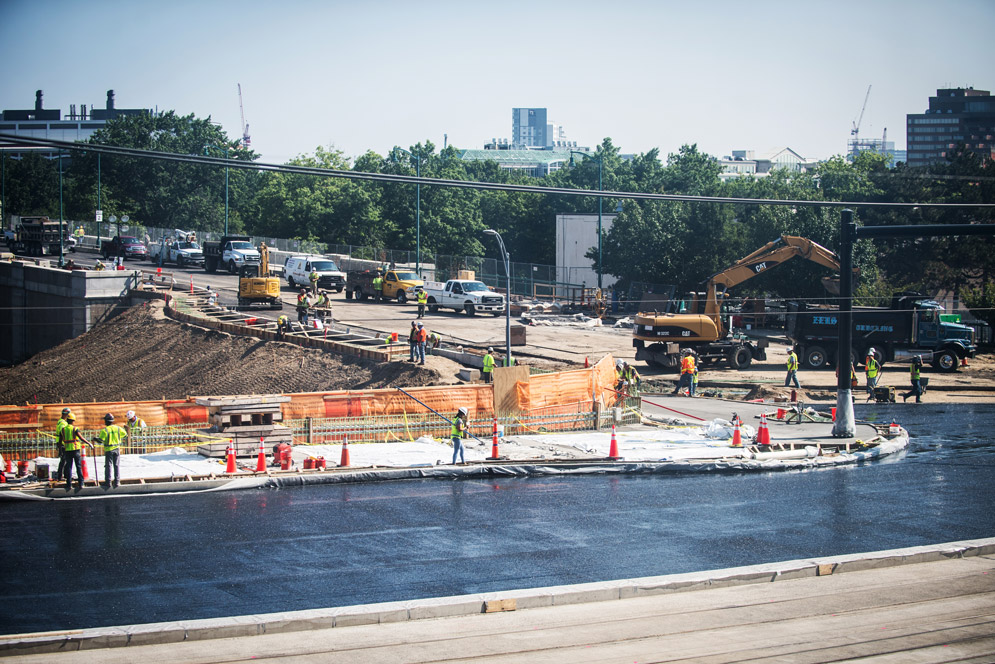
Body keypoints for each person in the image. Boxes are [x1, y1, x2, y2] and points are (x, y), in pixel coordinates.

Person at [60, 412, 91, 490]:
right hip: (75, 450)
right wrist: (89, 443)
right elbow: (81, 438)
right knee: (78, 466)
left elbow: (60, 442)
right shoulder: (74, 429)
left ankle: (69, 484)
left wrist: (60, 450)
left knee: (69, 467)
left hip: (67, 450)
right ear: (73, 420)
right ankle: (81, 483)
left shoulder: (63, 429)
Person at [98, 413, 128, 488]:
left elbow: (100, 440)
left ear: (106, 421)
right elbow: (125, 434)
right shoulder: (118, 428)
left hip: (109, 450)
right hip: (117, 449)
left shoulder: (105, 430)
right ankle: (117, 482)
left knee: (108, 466)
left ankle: (108, 482)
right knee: (116, 465)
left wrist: (95, 439)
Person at [54, 407, 72, 482]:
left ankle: (64, 475)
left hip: (61, 443)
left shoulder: (61, 421)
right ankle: (60, 475)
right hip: (63, 444)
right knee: (63, 460)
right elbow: (62, 433)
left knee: (64, 460)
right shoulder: (62, 423)